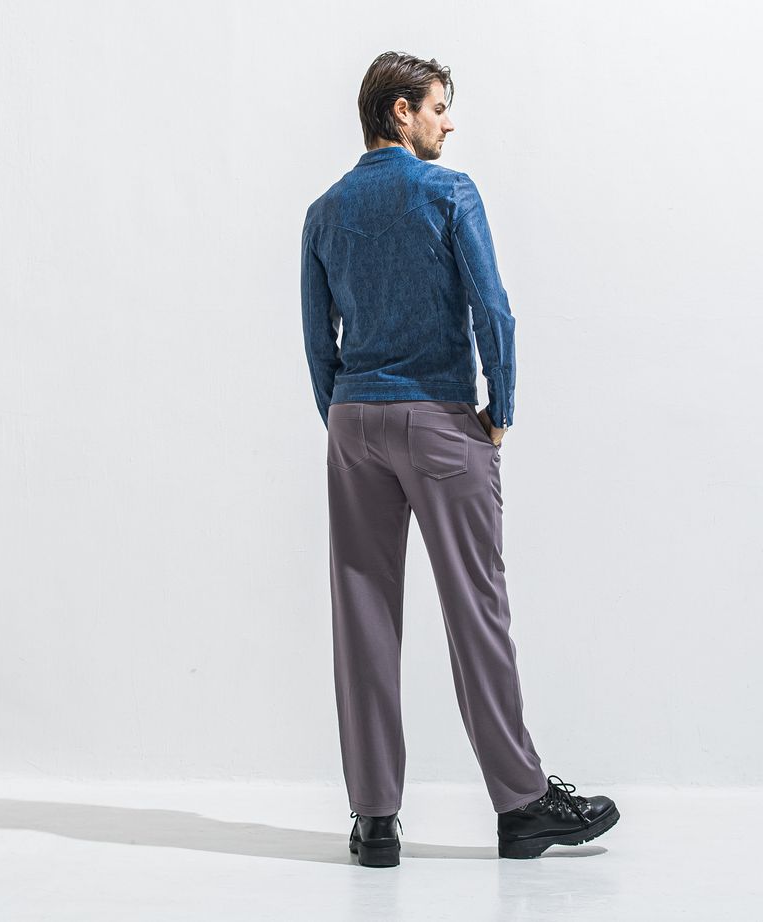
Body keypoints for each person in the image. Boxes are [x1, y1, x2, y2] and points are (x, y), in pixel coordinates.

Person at [300, 50, 620, 868]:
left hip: (353, 421)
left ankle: (375, 820)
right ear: (399, 111)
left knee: (361, 614)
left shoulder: (324, 212)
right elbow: (493, 309)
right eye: (438, 107)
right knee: (476, 608)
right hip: (440, 419)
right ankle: (521, 805)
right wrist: (500, 409)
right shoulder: (448, 193)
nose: (449, 122)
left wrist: (343, 417)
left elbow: (317, 338)